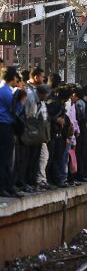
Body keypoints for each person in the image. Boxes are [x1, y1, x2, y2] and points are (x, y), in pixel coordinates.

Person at [0, 67, 24, 197]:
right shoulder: (6, 91)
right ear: (13, 78)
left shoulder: (5, 90)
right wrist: (21, 101)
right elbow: (16, 109)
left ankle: (8, 186)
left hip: (6, 125)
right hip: (5, 126)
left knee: (8, 158)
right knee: (6, 158)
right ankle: (5, 186)